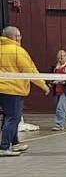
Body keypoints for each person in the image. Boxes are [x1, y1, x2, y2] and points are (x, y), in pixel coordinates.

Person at [0, 26, 49, 156]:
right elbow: (30, 70)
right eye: (19, 35)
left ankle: (15, 144)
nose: (21, 38)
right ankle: (4, 147)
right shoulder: (18, 51)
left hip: (2, 90)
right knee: (13, 118)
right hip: (13, 90)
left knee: (9, 118)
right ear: (14, 37)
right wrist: (43, 85)